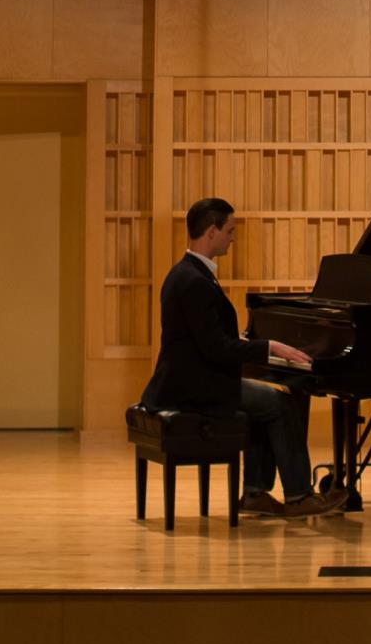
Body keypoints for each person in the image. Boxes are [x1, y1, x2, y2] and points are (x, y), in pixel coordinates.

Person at [140, 197, 345, 519]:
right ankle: (298, 496)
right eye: (230, 231)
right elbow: (215, 349)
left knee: (269, 396)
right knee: (282, 401)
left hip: (190, 378)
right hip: (194, 387)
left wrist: (249, 344)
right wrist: (268, 347)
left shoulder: (186, 273)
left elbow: (205, 339)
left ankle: (255, 492)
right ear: (211, 231)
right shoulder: (194, 281)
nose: (233, 238)